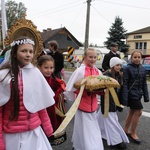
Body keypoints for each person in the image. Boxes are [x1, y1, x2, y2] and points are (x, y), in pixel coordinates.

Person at [0, 36, 55, 150]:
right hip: (12, 135)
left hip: (33, 132)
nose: (28, 54)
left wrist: (48, 128)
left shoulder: (35, 73)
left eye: (30, 51)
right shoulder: (4, 76)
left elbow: (40, 105)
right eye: (23, 51)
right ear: (14, 53)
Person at [64, 48, 104, 150]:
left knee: (88, 128)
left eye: (95, 57)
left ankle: (80, 145)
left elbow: (102, 88)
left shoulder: (98, 72)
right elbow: (71, 89)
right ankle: (85, 146)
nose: (93, 59)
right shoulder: (80, 71)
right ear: (85, 57)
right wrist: (78, 97)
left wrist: (100, 90)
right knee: (84, 128)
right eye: (90, 57)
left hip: (93, 105)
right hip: (82, 104)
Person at [97, 57, 129, 149]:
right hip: (107, 102)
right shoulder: (106, 75)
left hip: (115, 102)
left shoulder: (120, 75)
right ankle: (117, 140)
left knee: (101, 118)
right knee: (112, 121)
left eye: (120, 65)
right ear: (112, 66)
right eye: (117, 65)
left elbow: (122, 89)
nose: (119, 67)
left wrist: (122, 102)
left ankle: (96, 131)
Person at [37, 55, 67, 145]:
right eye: (46, 67)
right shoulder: (36, 80)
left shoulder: (55, 81)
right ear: (39, 67)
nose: (49, 70)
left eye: (51, 67)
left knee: (50, 127)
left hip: (52, 110)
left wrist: (60, 89)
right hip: (40, 110)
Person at [122, 50, 149, 144]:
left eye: (139, 57)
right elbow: (125, 84)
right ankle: (133, 133)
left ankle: (125, 130)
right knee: (139, 111)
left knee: (132, 111)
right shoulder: (127, 68)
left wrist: (146, 96)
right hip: (131, 94)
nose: (137, 59)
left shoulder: (142, 68)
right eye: (135, 57)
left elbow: (144, 83)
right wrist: (125, 98)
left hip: (138, 94)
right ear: (131, 58)